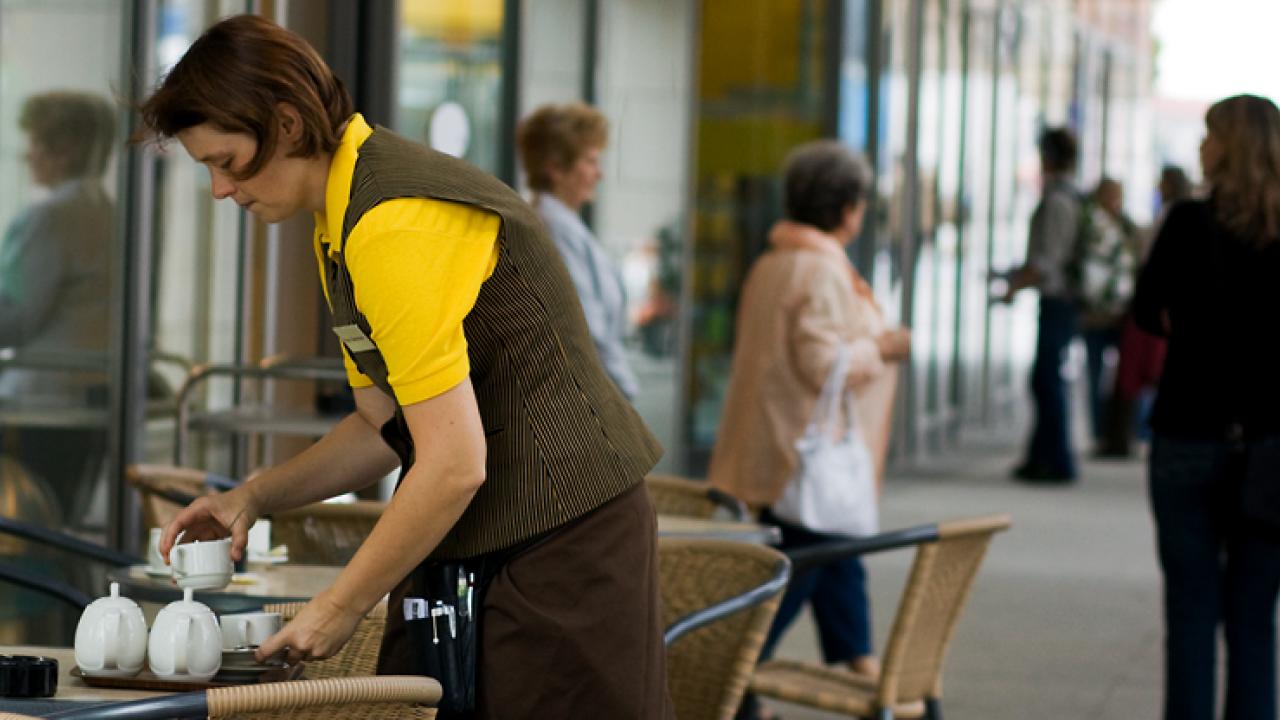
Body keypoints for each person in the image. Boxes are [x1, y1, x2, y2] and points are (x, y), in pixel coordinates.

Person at [140, 15, 672, 718]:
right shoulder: (343, 216)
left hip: (566, 539)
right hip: (487, 538)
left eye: (227, 162)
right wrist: (254, 497)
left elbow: (453, 463)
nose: (220, 190)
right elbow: (381, 425)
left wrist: (338, 607)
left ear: (290, 125)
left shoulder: (393, 223)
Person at [707, 141, 910, 710]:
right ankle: (733, 674)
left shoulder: (774, 262)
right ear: (845, 207)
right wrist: (883, 346)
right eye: (861, 201)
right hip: (802, 454)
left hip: (780, 447)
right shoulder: (818, 271)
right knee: (805, 567)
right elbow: (825, 365)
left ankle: (862, 670)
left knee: (834, 558)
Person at [1134, 94, 1280, 720]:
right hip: (1272, 442)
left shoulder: (1189, 222)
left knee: (1191, 611)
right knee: (1255, 618)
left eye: (1208, 135)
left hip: (1189, 432)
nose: (1199, 146)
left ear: (1230, 146)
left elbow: (1145, 312)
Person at [0, 90, 116, 522]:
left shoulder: (50, 216)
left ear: (62, 150)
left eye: (34, 142)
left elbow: (15, 318)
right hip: (86, 396)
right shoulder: (105, 209)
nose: (27, 156)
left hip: (40, 404)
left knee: (31, 528)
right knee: (63, 517)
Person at [516, 102, 639, 399]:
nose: (599, 174)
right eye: (591, 161)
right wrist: (626, 395)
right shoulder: (555, 230)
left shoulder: (563, 225)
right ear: (555, 167)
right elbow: (587, 333)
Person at [1000, 127, 1082, 483]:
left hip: (1058, 301)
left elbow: (1049, 259)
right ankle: (1042, 456)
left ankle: (1055, 460)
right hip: (1062, 300)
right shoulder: (1072, 196)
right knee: (1046, 380)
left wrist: (1015, 285)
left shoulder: (1058, 201)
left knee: (1047, 381)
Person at [1097, 166, 1190, 458]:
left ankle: (1133, 434)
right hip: (1155, 304)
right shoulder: (1170, 215)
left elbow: (1151, 258)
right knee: (1137, 372)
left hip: (1159, 306)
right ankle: (1125, 436)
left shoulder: (1177, 217)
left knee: (1141, 371)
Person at [1077, 177, 1139, 450]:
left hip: (1121, 315)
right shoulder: (1090, 226)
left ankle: (1122, 432)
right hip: (1094, 315)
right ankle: (1100, 431)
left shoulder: (1127, 227)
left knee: (1125, 377)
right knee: (1094, 375)